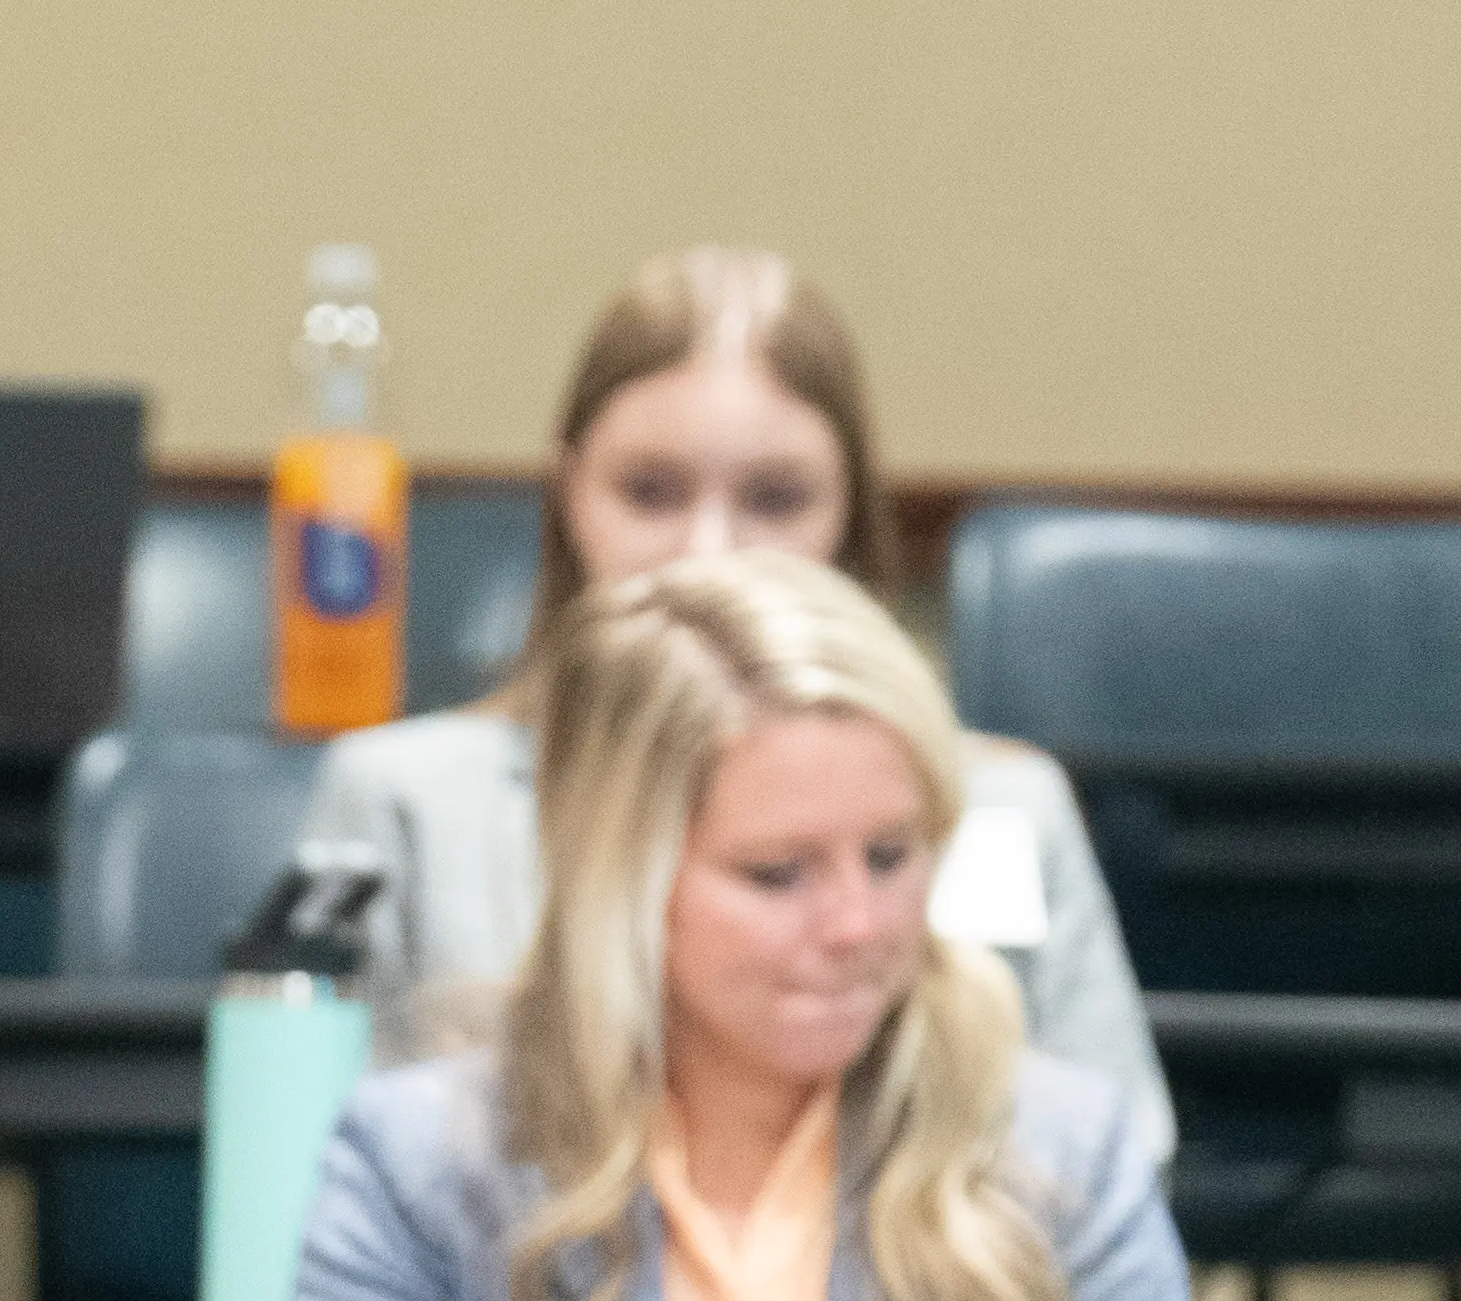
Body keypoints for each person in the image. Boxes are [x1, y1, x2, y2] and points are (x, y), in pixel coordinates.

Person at [247, 550, 1244, 1301]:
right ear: (621, 878)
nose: (860, 924)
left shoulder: (1061, 1155)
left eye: (891, 854)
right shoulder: (424, 1162)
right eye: (777, 874)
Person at [294, 248, 1173, 1162]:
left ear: (850, 512)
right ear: (569, 496)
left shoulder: (1004, 804)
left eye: (776, 498)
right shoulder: (402, 798)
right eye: (651, 492)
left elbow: (1117, 1172)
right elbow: (328, 1202)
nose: (710, 550)